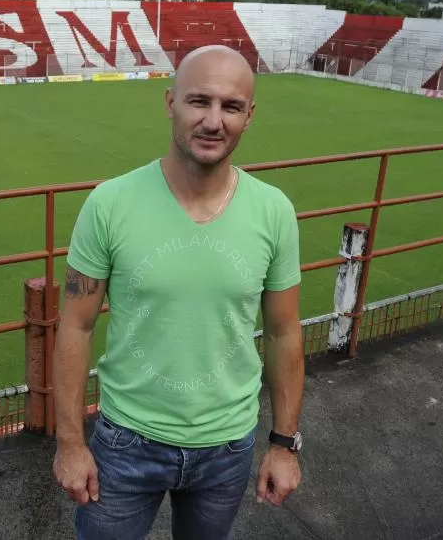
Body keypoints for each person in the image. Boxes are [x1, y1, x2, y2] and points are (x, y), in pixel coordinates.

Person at [52, 45, 305, 540]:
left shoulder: (274, 212)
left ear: (249, 116)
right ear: (170, 102)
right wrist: (69, 442)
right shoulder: (109, 204)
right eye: (198, 101)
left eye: (230, 107)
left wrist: (283, 443)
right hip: (125, 443)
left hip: (228, 446)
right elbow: (76, 324)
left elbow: (283, 332)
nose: (213, 121)